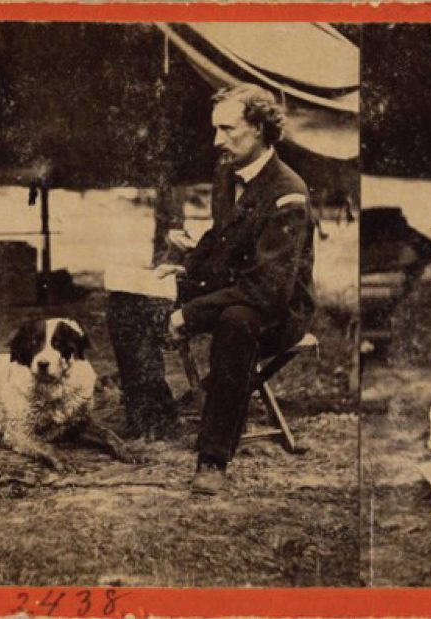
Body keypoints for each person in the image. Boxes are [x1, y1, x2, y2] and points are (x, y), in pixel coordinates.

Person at [107, 82, 315, 495]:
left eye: (228, 129)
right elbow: (222, 239)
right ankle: (153, 416)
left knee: (236, 323)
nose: (217, 140)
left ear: (258, 128)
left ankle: (213, 459)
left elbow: (267, 291)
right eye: (215, 129)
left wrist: (189, 313)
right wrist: (182, 269)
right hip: (231, 288)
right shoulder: (228, 171)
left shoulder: (288, 193)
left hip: (277, 310)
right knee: (127, 300)